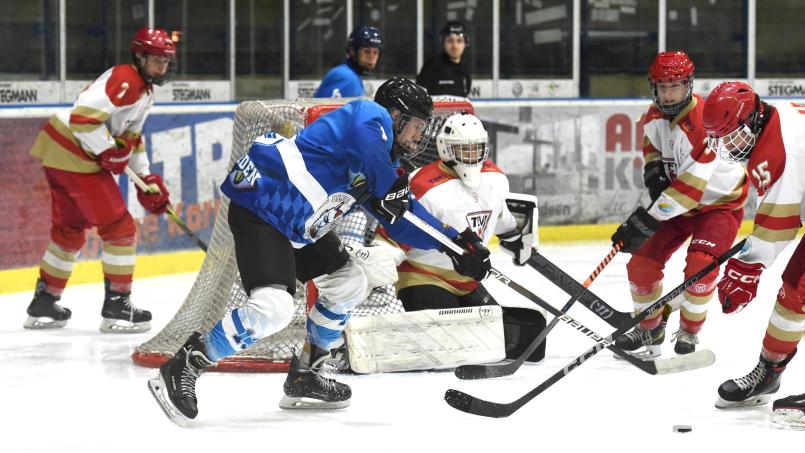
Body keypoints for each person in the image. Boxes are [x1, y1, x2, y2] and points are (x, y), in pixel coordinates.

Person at [147, 77, 492, 425]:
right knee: (273, 309)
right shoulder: (369, 116)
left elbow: (403, 220)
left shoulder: (380, 165)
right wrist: (390, 187)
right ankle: (185, 365)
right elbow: (370, 145)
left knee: (349, 282)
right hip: (262, 207)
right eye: (416, 126)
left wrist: (457, 244)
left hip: (301, 225)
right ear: (395, 115)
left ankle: (305, 373)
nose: (418, 138)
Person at [24, 27, 175, 333]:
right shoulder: (127, 80)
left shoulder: (144, 90)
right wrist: (107, 151)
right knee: (119, 228)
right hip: (74, 152)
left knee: (69, 229)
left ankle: (44, 303)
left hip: (58, 151)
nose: (162, 67)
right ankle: (118, 306)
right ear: (140, 56)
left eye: (166, 61)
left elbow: (131, 138)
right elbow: (83, 118)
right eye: (157, 60)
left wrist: (145, 178)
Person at [610, 52, 749, 358]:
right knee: (640, 266)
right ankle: (650, 328)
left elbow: (691, 191)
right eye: (662, 86)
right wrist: (654, 167)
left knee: (700, 265)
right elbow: (651, 145)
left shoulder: (703, 123)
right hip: (678, 204)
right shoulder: (654, 115)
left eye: (675, 86)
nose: (668, 93)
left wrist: (642, 222)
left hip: (718, 206)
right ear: (653, 87)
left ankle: (689, 329)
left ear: (688, 85)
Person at [702, 82, 804, 427]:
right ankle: (768, 372)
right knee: (795, 293)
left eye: (731, 136)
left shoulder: (775, 151)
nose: (726, 148)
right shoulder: (777, 117)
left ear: (753, 119)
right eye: (719, 139)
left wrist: (747, 266)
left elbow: (779, 224)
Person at [314, 25, 382, 98]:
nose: (371, 57)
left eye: (375, 52)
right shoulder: (345, 76)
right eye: (367, 51)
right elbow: (323, 108)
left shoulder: (353, 76)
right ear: (352, 51)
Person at [416, 21, 472, 97]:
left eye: (459, 41)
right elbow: (418, 98)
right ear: (443, 42)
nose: (455, 46)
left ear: (466, 43)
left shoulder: (465, 69)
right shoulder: (431, 67)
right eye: (450, 40)